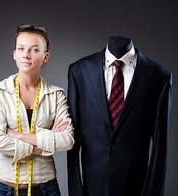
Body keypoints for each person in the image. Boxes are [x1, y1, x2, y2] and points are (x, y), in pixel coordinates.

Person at [67, 36, 172, 196]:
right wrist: (76, 190)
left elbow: (160, 144)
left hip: (135, 183)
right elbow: (73, 138)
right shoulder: (79, 71)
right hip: (93, 182)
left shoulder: (159, 75)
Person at [0, 24, 74, 196]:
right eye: (21, 49)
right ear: (14, 54)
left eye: (34, 50)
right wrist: (43, 146)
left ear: (45, 56)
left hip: (46, 187)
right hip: (5, 187)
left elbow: (67, 140)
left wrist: (17, 135)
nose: (26, 55)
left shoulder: (56, 95)